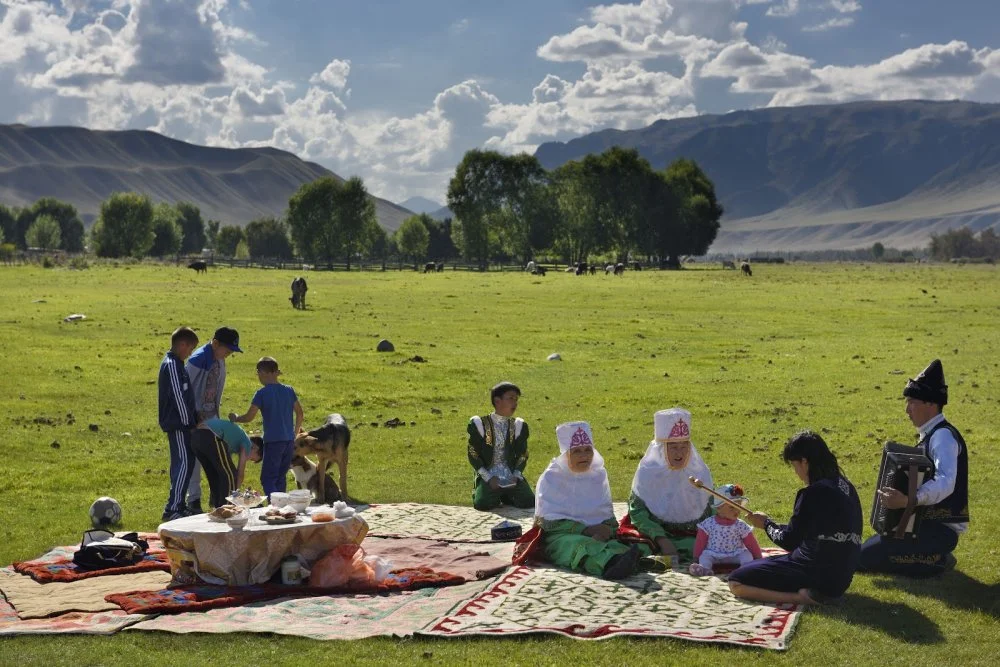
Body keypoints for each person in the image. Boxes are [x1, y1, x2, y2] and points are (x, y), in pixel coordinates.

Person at [859, 359, 968, 577]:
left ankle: (937, 560)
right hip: (922, 527)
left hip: (939, 531)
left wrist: (909, 500)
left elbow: (946, 481)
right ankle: (932, 557)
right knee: (863, 554)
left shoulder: (943, 437)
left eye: (912, 402)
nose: (907, 409)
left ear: (930, 403)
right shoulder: (931, 435)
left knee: (867, 560)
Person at [729, 431, 863, 605]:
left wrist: (767, 525)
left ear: (804, 462)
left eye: (795, 465)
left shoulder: (812, 493)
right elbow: (805, 529)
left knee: (736, 580)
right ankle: (817, 593)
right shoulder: (845, 485)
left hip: (816, 573)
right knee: (765, 564)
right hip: (840, 580)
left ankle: (803, 598)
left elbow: (790, 541)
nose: (796, 473)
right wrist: (772, 524)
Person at [532, 421, 641, 579]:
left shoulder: (598, 475)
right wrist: (586, 530)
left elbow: (606, 515)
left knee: (614, 545)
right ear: (566, 454)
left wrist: (605, 530)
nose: (584, 456)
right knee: (578, 546)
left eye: (587, 450)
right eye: (577, 451)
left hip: (597, 535)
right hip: (561, 536)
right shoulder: (552, 478)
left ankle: (621, 560)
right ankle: (609, 566)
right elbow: (548, 524)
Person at [621, 408, 713, 561]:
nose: (680, 453)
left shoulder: (699, 471)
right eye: (674, 447)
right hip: (652, 533)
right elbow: (637, 513)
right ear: (662, 449)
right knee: (638, 546)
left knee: (705, 546)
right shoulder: (647, 472)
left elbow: (711, 509)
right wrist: (661, 539)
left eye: (684, 447)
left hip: (689, 534)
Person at [185, 326, 242, 514]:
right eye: (227, 350)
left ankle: (216, 499)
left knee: (213, 459)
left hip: (212, 418)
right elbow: (187, 390)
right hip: (195, 420)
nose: (228, 355)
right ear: (215, 343)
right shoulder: (198, 360)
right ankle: (193, 500)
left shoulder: (219, 360)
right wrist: (193, 416)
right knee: (194, 460)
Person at [229, 356, 304, 497]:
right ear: (276, 372)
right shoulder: (289, 390)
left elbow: (249, 417)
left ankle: (274, 507)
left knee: (268, 478)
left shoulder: (261, 394)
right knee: (280, 477)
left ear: (262, 373)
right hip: (288, 441)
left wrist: (236, 418)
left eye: (258, 374)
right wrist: (294, 433)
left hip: (273, 442)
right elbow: (300, 414)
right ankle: (282, 508)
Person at [467, 382, 534, 510]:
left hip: (510, 475)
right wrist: (488, 477)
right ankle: (485, 491)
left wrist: (516, 475)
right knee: (483, 504)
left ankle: (506, 495)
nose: (515, 403)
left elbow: (523, 453)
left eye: (516, 399)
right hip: (489, 475)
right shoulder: (480, 424)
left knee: (529, 501)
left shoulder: (517, 426)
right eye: (511, 398)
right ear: (497, 401)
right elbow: (472, 452)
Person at [158, 326, 200, 521]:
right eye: (190, 349)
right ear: (182, 345)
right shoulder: (172, 366)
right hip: (178, 425)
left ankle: (179, 504)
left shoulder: (177, 364)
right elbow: (178, 397)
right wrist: (188, 423)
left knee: (184, 463)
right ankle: (173, 507)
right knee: (184, 464)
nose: (190, 353)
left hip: (182, 424)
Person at [689, 484, 763, 576]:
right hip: (714, 554)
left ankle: (745, 569)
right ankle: (704, 569)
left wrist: (758, 557)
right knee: (704, 556)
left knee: (747, 555)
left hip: (735, 554)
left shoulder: (740, 525)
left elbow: (751, 543)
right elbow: (700, 542)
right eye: (732, 507)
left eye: (738, 506)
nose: (736, 510)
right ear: (719, 508)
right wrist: (696, 557)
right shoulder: (708, 524)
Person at [193, 418, 254, 508]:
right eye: (254, 459)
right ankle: (228, 507)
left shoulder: (233, 440)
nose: (250, 460)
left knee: (215, 474)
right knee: (231, 475)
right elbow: (240, 473)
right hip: (210, 435)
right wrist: (236, 492)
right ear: (256, 448)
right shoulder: (247, 443)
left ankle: (216, 506)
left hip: (196, 437)